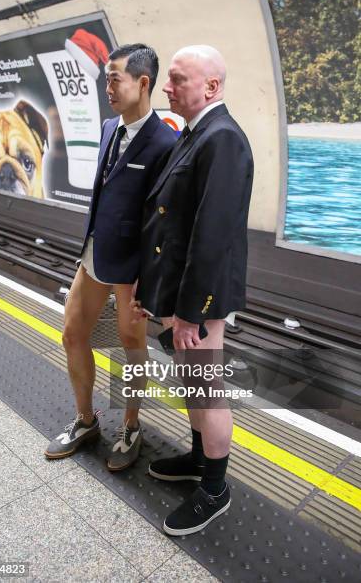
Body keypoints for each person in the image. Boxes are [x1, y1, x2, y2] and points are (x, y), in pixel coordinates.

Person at [132, 45, 254, 535]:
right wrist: (151, 284)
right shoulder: (196, 133)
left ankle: (216, 488)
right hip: (179, 292)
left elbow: (212, 235)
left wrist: (191, 312)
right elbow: (169, 219)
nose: (167, 86)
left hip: (198, 298)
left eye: (178, 79)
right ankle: (200, 458)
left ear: (211, 86)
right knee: (192, 383)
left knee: (208, 389)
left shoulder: (223, 139)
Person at [45, 44, 177, 470]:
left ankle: (132, 426)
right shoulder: (108, 128)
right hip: (95, 253)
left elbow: (164, 221)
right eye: (106, 78)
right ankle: (87, 421)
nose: (108, 87)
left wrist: (148, 277)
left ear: (143, 83)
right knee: (72, 332)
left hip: (132, 268)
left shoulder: (165, 143)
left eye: (114, 78)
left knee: (131, 343)